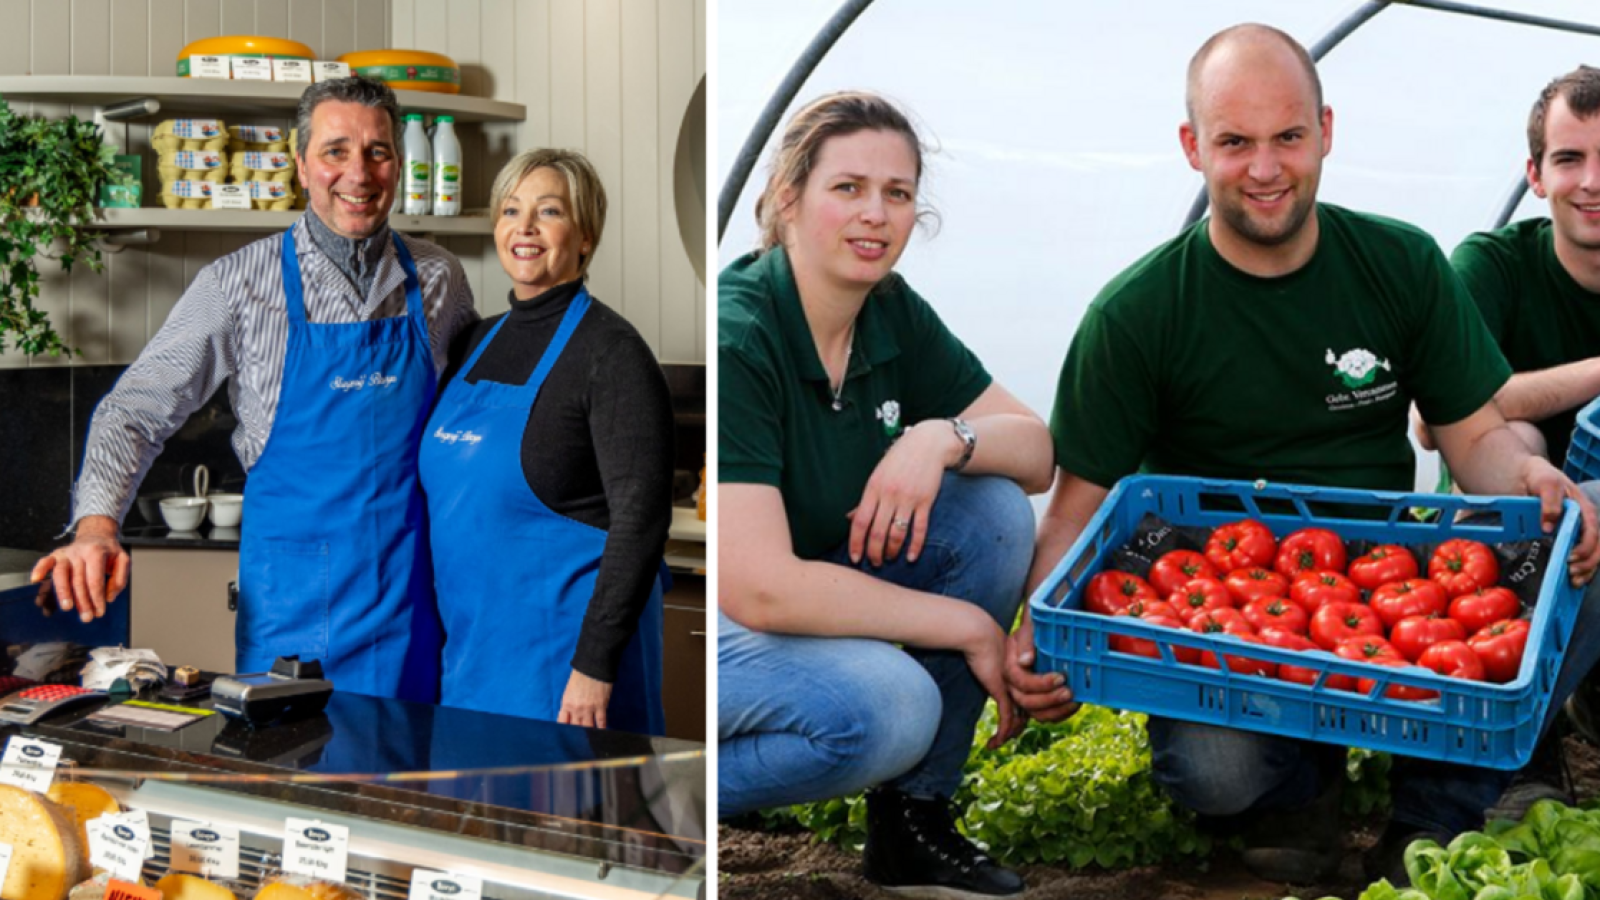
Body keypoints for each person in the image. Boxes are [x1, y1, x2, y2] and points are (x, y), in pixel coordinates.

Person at [1005, 24, 1600, 887]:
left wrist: (1533, 477)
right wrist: (1039, 627)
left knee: (1585, 546)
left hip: (1399, 581)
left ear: (1325, 129)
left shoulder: (1399, 264)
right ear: (1191, 146)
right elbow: (1075, 504)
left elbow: (1473, 436)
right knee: (1215, 769)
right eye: (1234, 141)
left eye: (1288, 136)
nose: (1266, 167)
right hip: (1231, 600)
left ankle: (1431, 810)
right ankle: (1297, 793)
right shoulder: (1137, 314)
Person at [30, 76, 479, 703]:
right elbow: (135, 409)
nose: (359, 172)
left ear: (398, 164)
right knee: (293, 783)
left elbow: (469, 420)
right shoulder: (237, 284)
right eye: (335, 151)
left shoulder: (439, 279)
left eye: (377, 152)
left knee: (407, 790)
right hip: (293, 609)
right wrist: (96, 528)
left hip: (413, 598)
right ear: (300, 165)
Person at [718, 91, 1054, 899]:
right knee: (890, 709)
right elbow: (762, 587)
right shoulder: (741, 335)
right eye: (849, 188)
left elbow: (1038, 452)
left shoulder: (891, 313)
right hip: (735, 621)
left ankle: (913, 825)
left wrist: (939, 437)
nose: (876, 215)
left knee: (992, 515)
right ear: (788, 198)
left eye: (897, 194)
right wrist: (970, 627)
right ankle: (691, 790)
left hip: (809, 593)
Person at [418, 148, 672, 732]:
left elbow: (641, 523)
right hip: (475, 660)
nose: (524, 228)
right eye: (511, 210)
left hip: (568, 674)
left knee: (570, 821)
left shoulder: (612, 354)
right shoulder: (472, 343)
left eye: (548, 211)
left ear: (585, 236)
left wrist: (593, 667)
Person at [1441, 64, 1600, 821]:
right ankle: (1521, 756)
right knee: (1517, 441)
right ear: (1535, 176)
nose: (1592, 182)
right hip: (1501, 547)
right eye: (1570, 159)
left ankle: (1581, 698)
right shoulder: (1492, 266)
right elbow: (1444, 408)